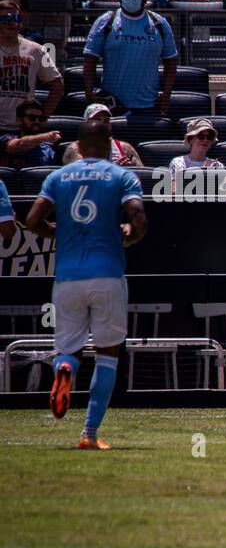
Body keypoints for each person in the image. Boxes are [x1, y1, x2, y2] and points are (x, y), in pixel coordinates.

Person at [24, 119, 147, 449]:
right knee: (108, 353)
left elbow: (33, 220)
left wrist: (58, 232)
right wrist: (131, 237)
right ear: (108, 145)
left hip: (66, 277)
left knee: (68, 348)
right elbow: (138, 217)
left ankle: (64, 368)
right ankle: (89, 433)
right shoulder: (121, 175)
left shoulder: (58, 177)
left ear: (78, 146)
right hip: (107, 273)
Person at [82, 0, 178, 126]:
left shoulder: (159, 23)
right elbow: (89, 60)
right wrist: (89, 93)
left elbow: (171, 60)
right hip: (113, 106)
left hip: (149, 106)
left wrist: (166, 94)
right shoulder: (106, 21)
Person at [0, 0, 60, 133]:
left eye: (15, 18)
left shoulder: (38, 50)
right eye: (5, 19)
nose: (11, 23)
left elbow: (57, 85)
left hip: (23, 129)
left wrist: (41, 117)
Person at [63, 103, 142, 165]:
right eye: (97, 120)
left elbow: (141, 174)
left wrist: (130, 169)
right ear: (86, 123)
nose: (102, 124)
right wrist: (114, 170)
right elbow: (74, 176)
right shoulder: (74, 148)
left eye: (106, 120)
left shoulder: (125, 148)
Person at [169, 117, 223, 192]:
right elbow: (174, 191)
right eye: (201, 136)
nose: (205, 140)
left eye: (209, 137)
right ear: (190, 140)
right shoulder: (178, 162)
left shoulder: (217, 166)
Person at [0, 96, 57, 167]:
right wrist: (45, 137)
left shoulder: (48, 150)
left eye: (41, 118)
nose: (37, 121)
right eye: (32, 118)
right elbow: (19, 144)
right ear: (19, 120)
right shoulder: (4, 139)